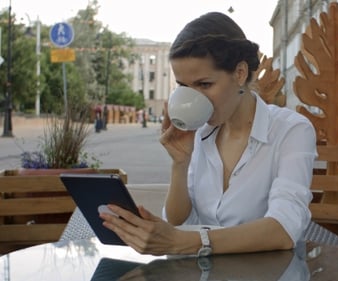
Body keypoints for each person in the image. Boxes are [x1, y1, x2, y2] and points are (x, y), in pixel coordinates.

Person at [100, 11, 317, 256]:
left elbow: (283, 230)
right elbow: (178, 221)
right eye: (183, 86)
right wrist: (179, 164)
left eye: (204, 85)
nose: (193, 98)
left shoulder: (291, 131)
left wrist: (185, 242)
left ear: (240, 73)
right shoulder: (200, 133)